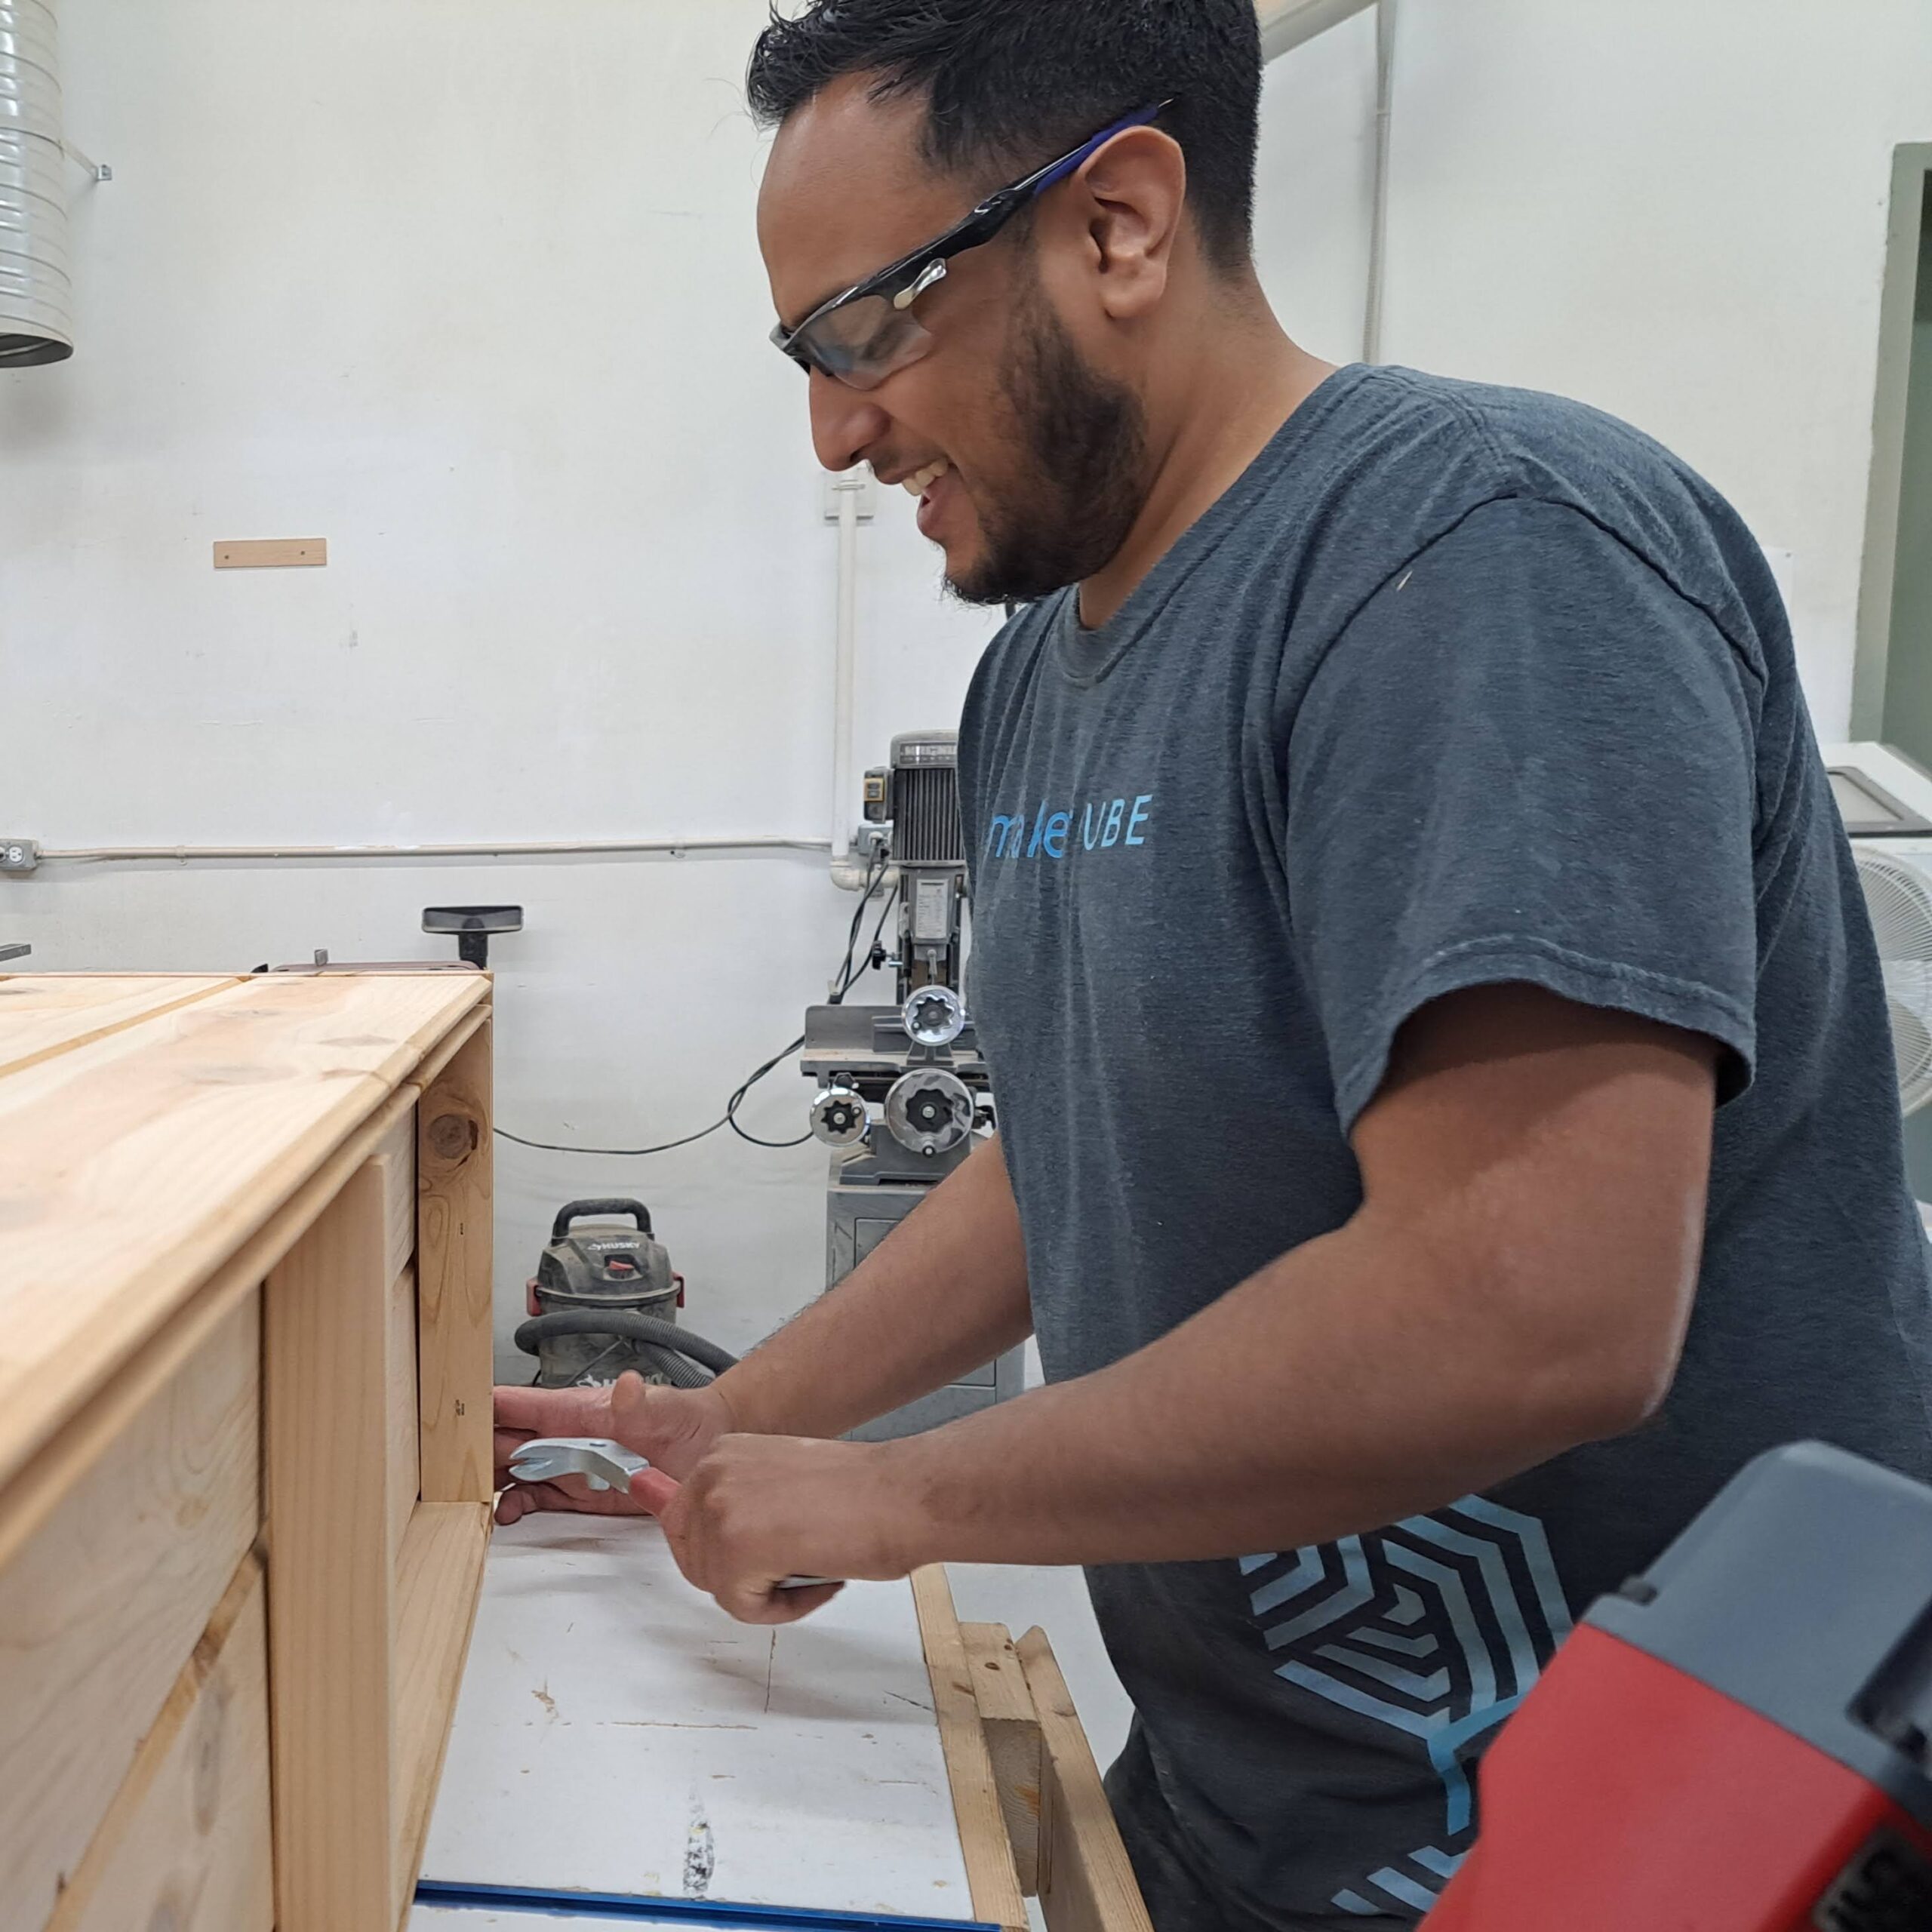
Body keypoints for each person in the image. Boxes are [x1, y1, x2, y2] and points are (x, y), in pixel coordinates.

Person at [494, 3, 1932, 1924]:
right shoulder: (1037, 681)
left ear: (1118, 225)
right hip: (1257, 1819)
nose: (836, 429)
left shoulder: (1477, 551)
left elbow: (1536, 1300)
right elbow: (1072, 1146)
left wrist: (904, 1493)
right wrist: (744, 1411)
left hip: (1639, 1855)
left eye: (866, 331)